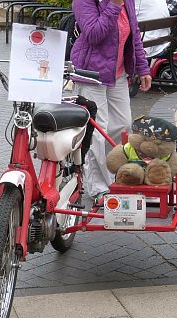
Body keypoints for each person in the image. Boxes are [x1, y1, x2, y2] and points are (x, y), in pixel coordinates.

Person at [71, 0, 152, 201]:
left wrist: (143, 68)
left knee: (123, 124)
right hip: (90, 74)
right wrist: (114, 5)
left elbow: (134, 36)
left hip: (116, 74)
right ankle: (98, 186)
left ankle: (112, 173)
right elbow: (94, 34)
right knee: (98, 132)